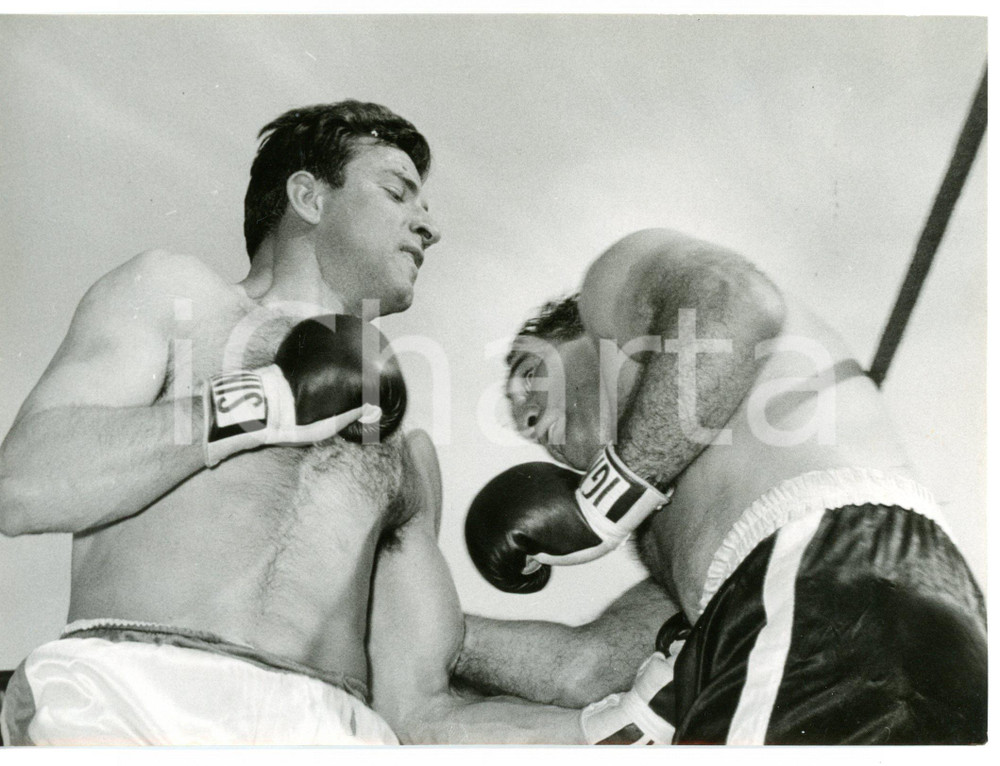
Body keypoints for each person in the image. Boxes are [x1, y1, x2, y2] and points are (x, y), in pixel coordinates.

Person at [369, 227, 986, 745]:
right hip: (871, 613)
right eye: (521, 422)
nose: (528, 420)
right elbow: (585, 669)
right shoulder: (700, 537)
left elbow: (734, 299)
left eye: (532, 375)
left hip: (843, 573)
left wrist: (602, 504)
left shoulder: (611, 293)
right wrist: (393, 615)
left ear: (583, 336)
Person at [0, 100, 441, 746]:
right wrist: (267, 400)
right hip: (131, 708)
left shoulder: (408, 455)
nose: (429, 227)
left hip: (337, 731)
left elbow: (424, 713)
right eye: (400, 192)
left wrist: (617, 721)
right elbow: (22, 486)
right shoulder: (176, 296)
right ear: (308, 197)